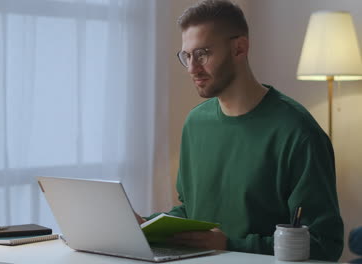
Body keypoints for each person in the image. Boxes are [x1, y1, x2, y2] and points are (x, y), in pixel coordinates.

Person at [134, 0, 344, 261]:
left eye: (202, 54)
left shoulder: (298, 132)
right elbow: (193, 212)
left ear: (239, 48)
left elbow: (325, 243)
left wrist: (231, 244)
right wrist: (145, 225)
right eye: (187, 56)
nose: (192, 68)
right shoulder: (196, 123)